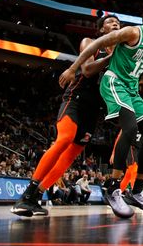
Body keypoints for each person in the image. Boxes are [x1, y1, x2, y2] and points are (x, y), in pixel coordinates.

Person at [11, 15, 120, 217]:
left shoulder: (120, 53)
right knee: (64, 140)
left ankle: (37, 196)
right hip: (76, 99)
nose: (115, 24)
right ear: (101, 29)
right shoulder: (91, 43)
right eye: (110, 22)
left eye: (118, 23)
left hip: (94, 108)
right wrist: (113, 58)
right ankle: (27, 194)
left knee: (70, 156)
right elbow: (87, 70)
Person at [68, 7, 143, 218]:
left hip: (132, 88)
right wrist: (73, 68)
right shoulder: (132, 32)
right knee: (129, 131)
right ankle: (113, 188)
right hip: (114, 82)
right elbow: (98, 43)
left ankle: (137, 191)